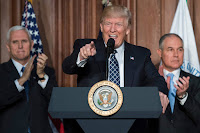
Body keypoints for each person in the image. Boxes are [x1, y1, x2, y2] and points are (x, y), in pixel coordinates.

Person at [62, 5, 168, 133]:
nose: (112, 29)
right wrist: (81, 56)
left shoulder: (141, 55)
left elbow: (156, 80)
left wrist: (159, 93)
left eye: (118, 24)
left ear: (127, 29)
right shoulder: (86, 47)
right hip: (91, 125)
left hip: (131, 126)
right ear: (101, 27)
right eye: (108, 23)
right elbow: (67, 67)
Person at [0, 26, 57, 133]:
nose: (20, 46)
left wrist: (41, 76)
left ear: (31, 45)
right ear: (8, 46)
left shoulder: (47, 72)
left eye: (24, 41)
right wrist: (22, 80)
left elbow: (57, 102)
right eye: (15, 42)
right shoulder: (1, 71)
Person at [157, 33, 200, 133]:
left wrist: (184, 96)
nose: (176, 54)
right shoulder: (149, 80)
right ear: (160, 52)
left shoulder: (195, 82)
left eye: (180, 49)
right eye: (170, 49)